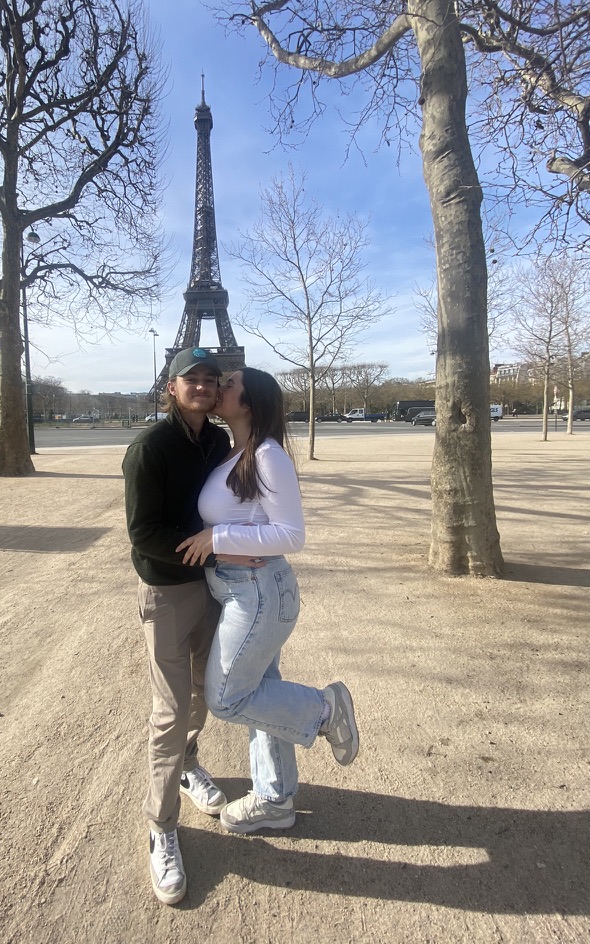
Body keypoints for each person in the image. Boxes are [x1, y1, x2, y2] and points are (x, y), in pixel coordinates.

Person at [176, 367, 359, 835]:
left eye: (230, 384)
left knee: (226, 697)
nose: (220, 388)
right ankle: (275, 799)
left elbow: (291, 535)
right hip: (240, 590)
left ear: (250, 402)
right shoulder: (233, 452)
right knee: (261, 693)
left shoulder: (267, 455)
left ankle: (325, 708)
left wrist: (218, 536)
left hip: (256, 594)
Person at [122, 347, 233, 906]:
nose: (204, 386)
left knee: (206, 690)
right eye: (194, 378)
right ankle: (161, 826)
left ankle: (188, 761)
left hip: (212, 587)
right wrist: (209, 553)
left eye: (212, 380)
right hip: (167, 591)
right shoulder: (149, 447)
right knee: (168, 711)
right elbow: (142, 532)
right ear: (171, 387)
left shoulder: (218, 442)